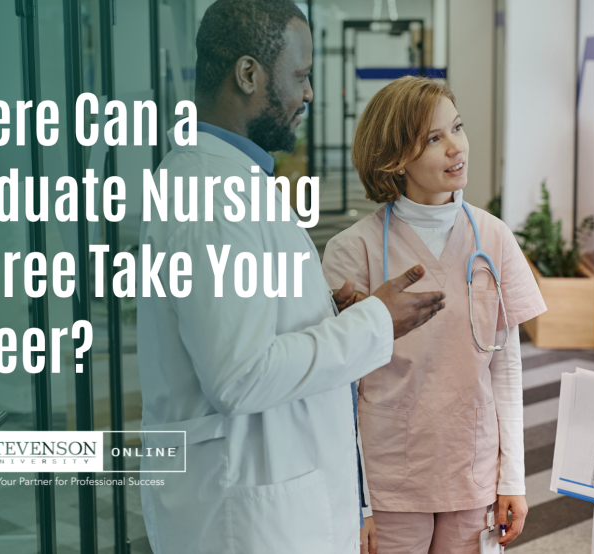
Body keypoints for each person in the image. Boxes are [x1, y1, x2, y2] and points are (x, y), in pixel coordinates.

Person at [136, 2, 446, 553]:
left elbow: (240, 323)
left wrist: (321, 310)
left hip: (258, 494)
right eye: (300, 76)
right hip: (248, 516)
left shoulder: (222, 179)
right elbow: (239, 375)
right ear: (248, 73)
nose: (308, 94)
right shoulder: (215, 196)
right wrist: (376, 320)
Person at [321, 76, 547, 554]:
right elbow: (336, 391)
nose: (456, 148)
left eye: (457, 128)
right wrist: (357, 501)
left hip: (472, 468)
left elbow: (505, 366)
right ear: (395, 158)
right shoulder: (352, 251)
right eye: (433, 138)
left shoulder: (495, 238)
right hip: (389, 479)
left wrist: (514, 479)